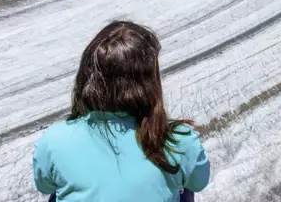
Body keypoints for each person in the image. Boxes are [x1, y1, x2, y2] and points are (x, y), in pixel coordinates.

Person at [33, 21, 210, 201]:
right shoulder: (177, 139)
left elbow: (44, 185)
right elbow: (199, 182)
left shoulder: (55, 140)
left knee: (59, 192)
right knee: (183, 188)